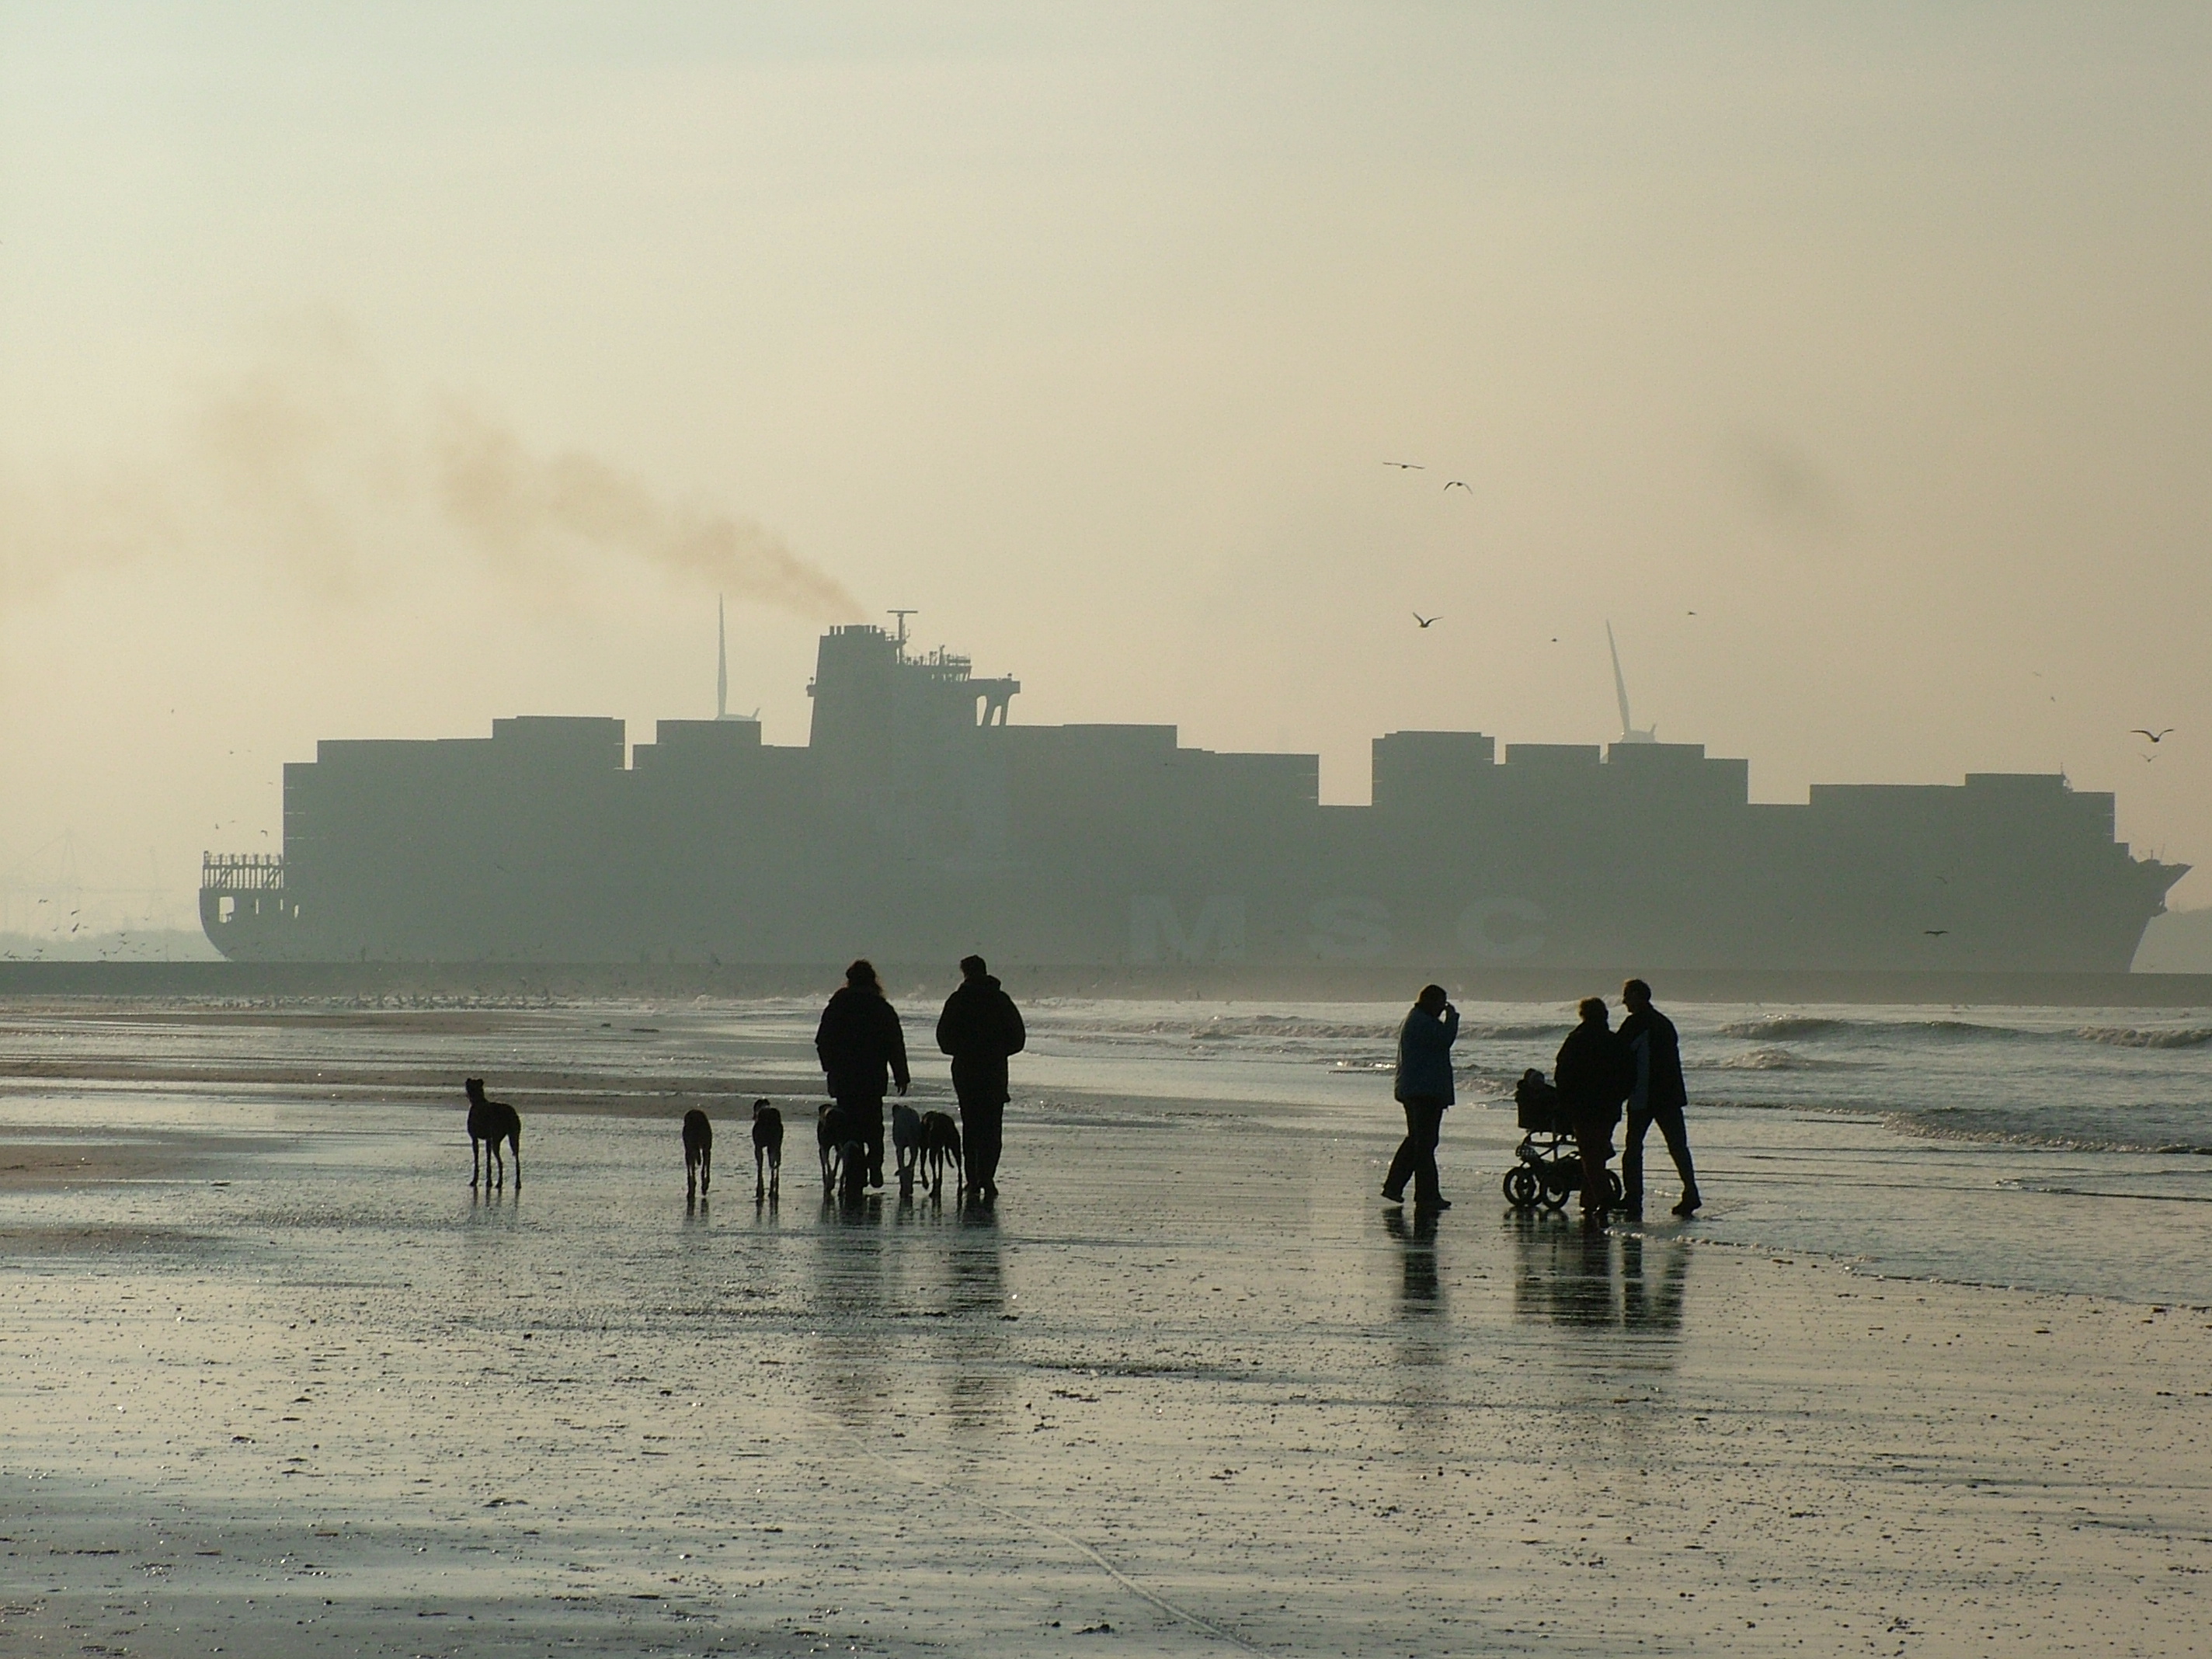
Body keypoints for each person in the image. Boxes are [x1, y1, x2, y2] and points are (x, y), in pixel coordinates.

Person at [935, 954, 1025, 1203]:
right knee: (992, 1126)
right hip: (994, 1070)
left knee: (971, 1125)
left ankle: (973, 1178)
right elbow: (1018, 1038)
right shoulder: (1000, 1000)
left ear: (965, 973)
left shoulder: (958, 1000)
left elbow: (944, 1039)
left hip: (966, 1070)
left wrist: (963, 1050)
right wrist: (997, 1051)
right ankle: (987, 1176)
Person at [814, 959, 909, 1189]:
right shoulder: (881, 1007)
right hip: (872, 1076)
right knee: (873, 1123)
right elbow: (895, 1043)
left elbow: (822, 1040)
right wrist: (901, 1075)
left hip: (844, 1076)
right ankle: (874, 1164)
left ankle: (851, 1165)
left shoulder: (838, 1005)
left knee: (847, 1123)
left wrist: (830, 1067)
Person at [1617, 978, 1701, 1217]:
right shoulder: (1664, 1023)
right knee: (1677, 1147)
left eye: (1627, 996)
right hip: (1671, 1096)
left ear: (1638, 996)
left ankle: (1633, 1198)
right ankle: (1691, 1192)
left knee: (1633, 1148)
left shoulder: (1636, 1024)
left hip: (1645, 1097)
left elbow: (1620, 1055)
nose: (1624, 1001)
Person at [1553, 996, 1632, 1222]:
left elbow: (1563, 1075)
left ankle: (1604, 1197)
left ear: (1583, 1015)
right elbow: (1628, 1073)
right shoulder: (1614, 1041)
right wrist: (1620, 1097)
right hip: (1608, 1107)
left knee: (1590, 1155)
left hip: (1583, 1108)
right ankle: (1589, 1200)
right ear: (1605, 1016)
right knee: (1597, 1152)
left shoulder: (1576, 1040)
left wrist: (1566, 1103)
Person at [1383, 983, 1459, 1211]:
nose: (1442, 1008)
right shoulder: (1423, 1023)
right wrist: (1453, 1018)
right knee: (1425, 1144)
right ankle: (1426, 1195)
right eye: (1440, 1003)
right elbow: (1445, 1040)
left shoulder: (1416, 1020)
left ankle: (1394, 1186)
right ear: (1430, 1001)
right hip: (1423, 1091)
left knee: (1417, 1141)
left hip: (1416, 1088)